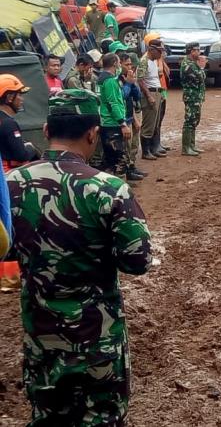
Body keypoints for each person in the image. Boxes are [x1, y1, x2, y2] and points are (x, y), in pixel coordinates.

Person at [8, 88, 151, 426]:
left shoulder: (11, 184)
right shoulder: (108, 188)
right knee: (102, 418)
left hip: (40, 333)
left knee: (48, 417)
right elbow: (138, 261)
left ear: (46, 131)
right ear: (93, 133)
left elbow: (6, 249)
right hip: (97, 336)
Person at [96, 53, 130, 176]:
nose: (120, 65)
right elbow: (113, 103)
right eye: (119, 62)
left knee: (110, 159)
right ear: (115, 63)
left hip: (105, 122)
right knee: (120, 159)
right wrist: (122, 123)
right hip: (112, 123)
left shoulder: (101, 78)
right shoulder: (110, 81)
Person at [0, 75, 39, 172]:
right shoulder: (8, 123)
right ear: (9, 98)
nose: (22, 99)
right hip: (9, 176)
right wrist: (30, 147)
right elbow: (22, 155)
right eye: (20, 95)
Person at [137, 39, 166, 160]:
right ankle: (146, 151)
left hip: (157, 92)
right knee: (148, 124)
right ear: (151, 50)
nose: (161, 54)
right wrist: (149, 96)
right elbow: (140, 80)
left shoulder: (153, 61)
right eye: (159, 51)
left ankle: (153, 148)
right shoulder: (144, 61)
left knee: (155, 122)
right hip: (151, 93)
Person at [180, 42, 207, 156]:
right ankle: (186, 148)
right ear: (192, 51)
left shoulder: (191, 63)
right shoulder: (188, 65)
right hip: (191, 96)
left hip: (196, 96)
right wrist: (201, 67)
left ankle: (191, 145)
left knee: (194, 120)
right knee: (189, 121)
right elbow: (201, 77)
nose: (199, 52)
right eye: (197, 50)